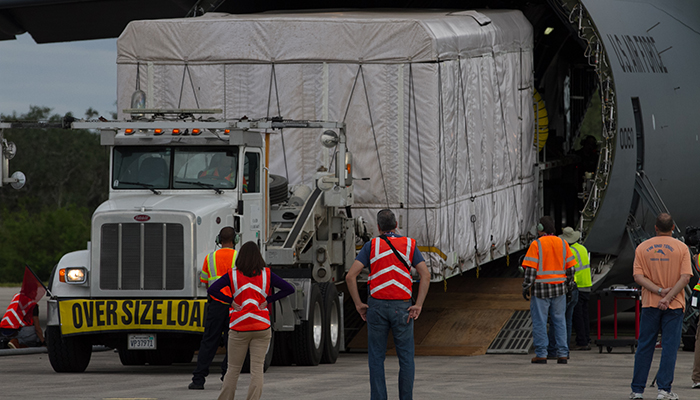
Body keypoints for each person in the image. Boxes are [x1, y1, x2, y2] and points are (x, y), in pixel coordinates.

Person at [346, 209, 430, 400]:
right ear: (396, 225)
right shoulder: (409, 244)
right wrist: (418, 304)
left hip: (376, 307)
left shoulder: (371, 245)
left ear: (378, 227)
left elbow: (350, 276)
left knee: (376, 358)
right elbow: (426, 275)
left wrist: (359, 304)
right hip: (403, 307)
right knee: (406, 359)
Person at [209, 241, 294, 400]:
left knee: (233, 370)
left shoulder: (232, 274)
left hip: (238, 327)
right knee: (257, 369)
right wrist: (269, 299)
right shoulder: (267, 274)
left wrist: (230, 301)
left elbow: (212, 290)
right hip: (261, 327)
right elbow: (289, 288)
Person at [630, 213, 691, 400]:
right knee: (669, 347)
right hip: (674, 305)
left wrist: (658, 292)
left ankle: (637, 390)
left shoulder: (642, 248)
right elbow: (686, 277)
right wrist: (669, 296)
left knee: (645, 346)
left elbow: (638, 277)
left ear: (655, 228)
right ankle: (664, 390)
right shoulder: (682, 248)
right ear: (673, 228)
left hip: (650, 303)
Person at [522, 216, 577, 364]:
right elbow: (571, 268)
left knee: (540, 321)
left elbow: (531, 270)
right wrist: (569, 285)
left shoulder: (536, 245)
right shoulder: (563, 243)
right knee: (559, 321)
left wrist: (526, 286)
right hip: (559, 289)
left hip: (540, 291)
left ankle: (541, 354)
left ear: (540, 228)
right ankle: (563, 354)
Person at [189, 226, 238, 390]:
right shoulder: (238, 257)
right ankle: (227, 377)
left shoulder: (210, 257)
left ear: (219, 240)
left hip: (216, 305)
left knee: (209, 342)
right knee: (233, 343)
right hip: (233, 306)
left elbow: (204, 280)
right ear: (235, 240)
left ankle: (198, 379)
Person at [565, 227, 593, 351]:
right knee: (585, 314)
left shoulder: (570, 251)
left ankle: (581, 341)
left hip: (578, 285)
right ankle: (586, 339)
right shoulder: (582, 248)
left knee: (577, 316)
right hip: (587, 284)